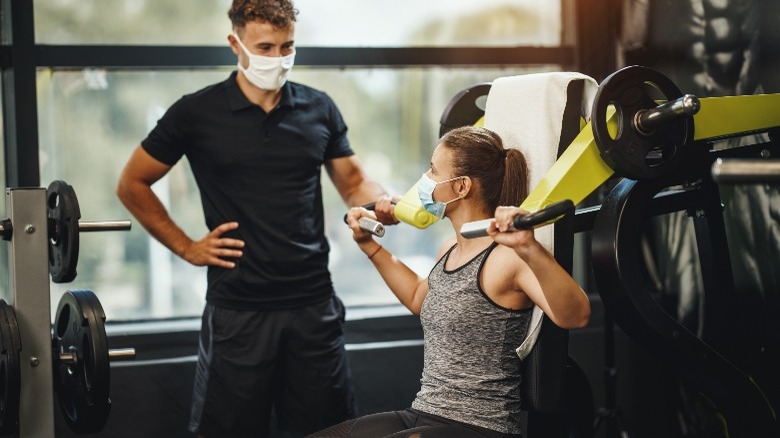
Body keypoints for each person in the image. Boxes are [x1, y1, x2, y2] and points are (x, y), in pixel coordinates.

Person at [116, 1, 396, 436]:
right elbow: (132, 183)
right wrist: (187, 247)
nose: (278, 58)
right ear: (235, 43)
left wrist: (381, 203)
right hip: (239, 309)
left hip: (312, 304)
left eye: (287, 47)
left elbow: (355, 182)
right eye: (264, 47)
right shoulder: (195, 112)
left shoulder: (318, 107)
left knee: (331, 430)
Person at [311, 126, 591, 438]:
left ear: (460, 187)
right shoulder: (450, 250)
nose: (425, 179)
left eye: (432, 169)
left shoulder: (506, 257)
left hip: (479, 426)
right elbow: (420, 298)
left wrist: (529, 248)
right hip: (423, 412)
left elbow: (576, 315)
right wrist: (370, 246)